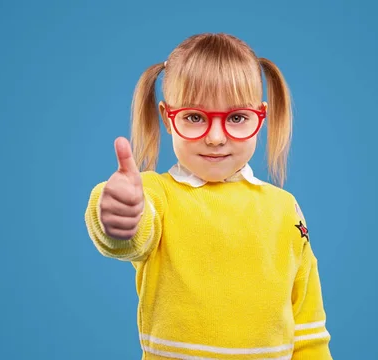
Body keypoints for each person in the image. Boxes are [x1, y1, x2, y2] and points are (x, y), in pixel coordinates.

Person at [84, 33, 333, 360]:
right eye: (195, 117)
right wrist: (118, 214)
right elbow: (130, 237)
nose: (216, 138)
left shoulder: (284, 208)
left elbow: (307, 323)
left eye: (236, 118)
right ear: (167, 117)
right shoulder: (158, 195)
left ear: (260, 117)